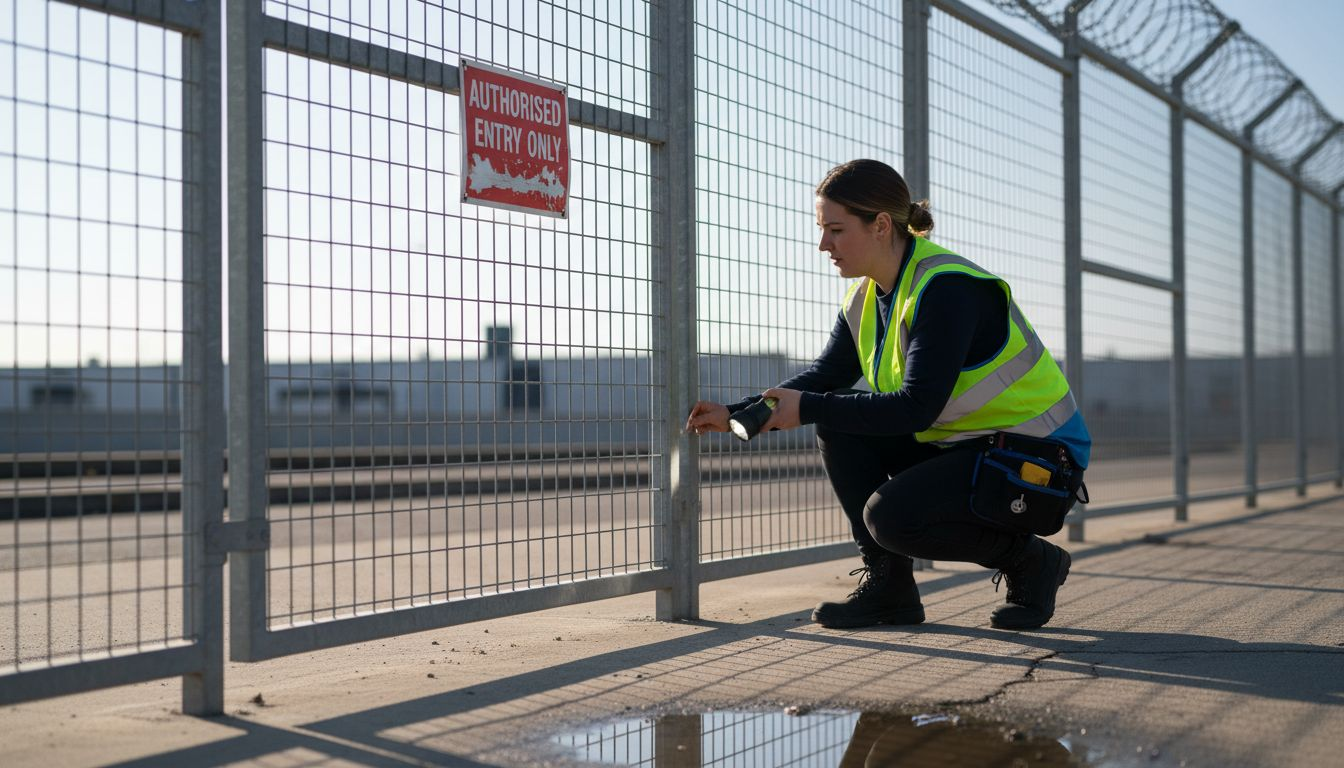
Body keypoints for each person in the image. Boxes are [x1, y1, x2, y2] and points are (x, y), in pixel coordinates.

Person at [684, 159, 1090, 631]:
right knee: (837, 422)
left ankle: (1031, 561)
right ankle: (890, 589)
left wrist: (809, 407)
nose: (823, 245)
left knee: (891, 518)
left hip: (1036, 458)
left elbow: (916, 405)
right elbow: (826, 375)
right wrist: (738, 412)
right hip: (968, 448)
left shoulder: (946, 289)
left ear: (879, 225)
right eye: (822, 229)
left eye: (835, 230)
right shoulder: (865, 297)